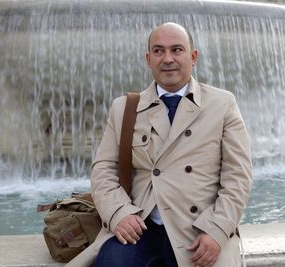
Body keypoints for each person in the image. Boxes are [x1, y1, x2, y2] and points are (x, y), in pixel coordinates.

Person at [66, 22, 252, 267]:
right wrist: (119, 213)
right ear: (148, 59)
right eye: (158, 51)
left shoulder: (222, 104)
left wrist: (217, 230)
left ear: (193, 56)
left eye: (177, 50)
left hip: (199, 228)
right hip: (140, 226)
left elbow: (238, 177)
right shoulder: (124, 108)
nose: (168, 59)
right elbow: (103, 171)